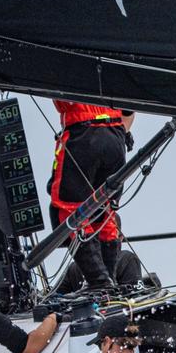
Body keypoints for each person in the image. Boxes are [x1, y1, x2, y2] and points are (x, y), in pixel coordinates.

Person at [48, 100, 134, 288]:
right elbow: (129, 108)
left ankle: (100, 283)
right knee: (105, 211)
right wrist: (122, 132)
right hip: (116, 135)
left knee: (68, 209)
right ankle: (109, 282)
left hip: (82, 134)